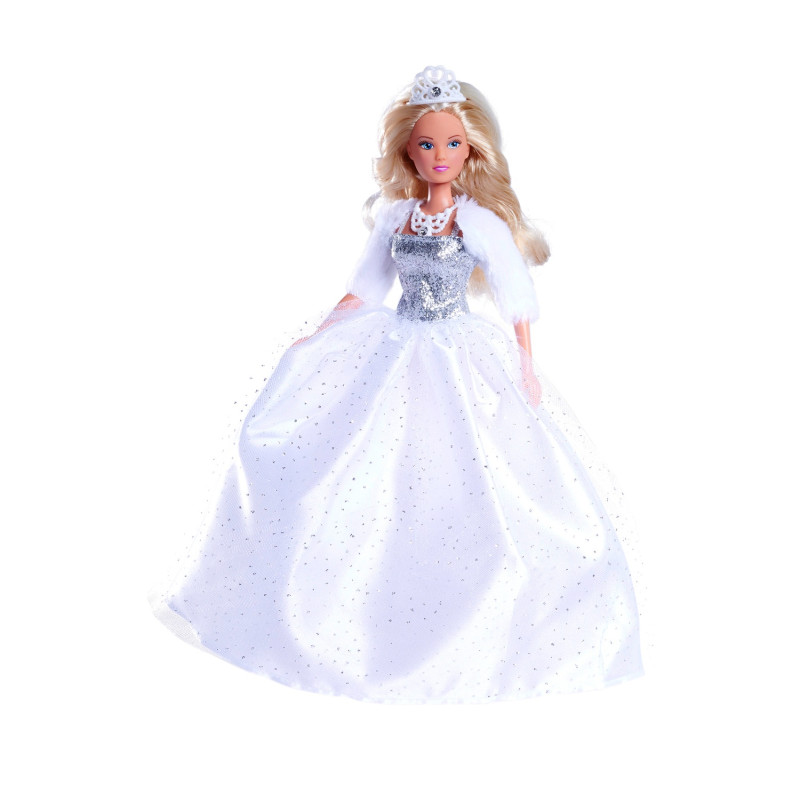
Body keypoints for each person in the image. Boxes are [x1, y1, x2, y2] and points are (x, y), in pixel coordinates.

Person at [151, 66, 644, 703]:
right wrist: (318, 334)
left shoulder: (478, 223)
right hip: (394, 349)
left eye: (452, 144)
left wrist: (525, 363)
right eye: (427, 144)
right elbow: (366, 287)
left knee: (469, 474)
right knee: (366, 470)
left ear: (471, 151)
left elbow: (516, 296)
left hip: (458, 356)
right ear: (408, 151)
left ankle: (478, 616)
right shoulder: (396, 218)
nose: (439, 155)